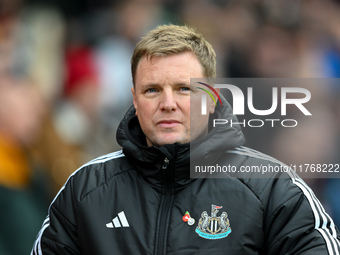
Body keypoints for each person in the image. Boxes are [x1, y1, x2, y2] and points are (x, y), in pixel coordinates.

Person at [31, 24, 340, 255]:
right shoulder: (85, 189)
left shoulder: (274, 187)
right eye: (152, 90)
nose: (168, 103)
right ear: (135, 100)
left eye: (183, 89)